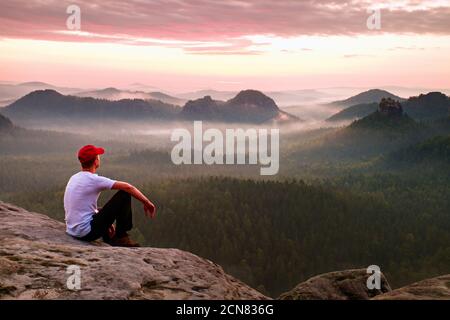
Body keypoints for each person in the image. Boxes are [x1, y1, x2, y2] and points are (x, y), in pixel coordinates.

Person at [63, 145, 156, 247]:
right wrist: (147, 202)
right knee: (124, 194)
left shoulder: (74, 177)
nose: (99, 157)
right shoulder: (94, 180)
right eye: (98, 156)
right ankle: (121, 237)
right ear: (95, 161)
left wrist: (108, 222)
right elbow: (128, 187)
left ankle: (110, 239)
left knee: (99, 209)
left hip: (72, 230)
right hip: (86, 232)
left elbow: (82, 207)